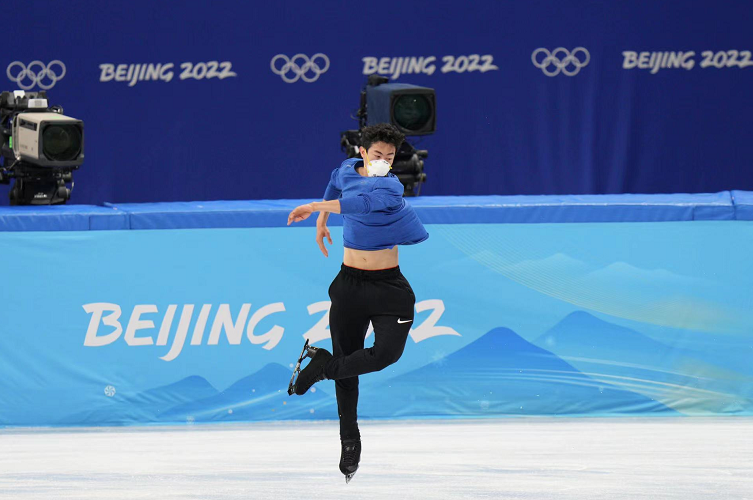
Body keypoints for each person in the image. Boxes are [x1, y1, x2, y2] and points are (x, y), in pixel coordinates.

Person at [286, 122, 429, 483]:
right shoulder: (348, 169)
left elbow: (359, 204)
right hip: (349, 284)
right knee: (348, 369)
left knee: (385, 355)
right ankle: (349, 441)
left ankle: (322, 366)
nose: (384, 161)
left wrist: (315, 207)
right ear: (362, 153)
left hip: (389, 287)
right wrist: (321, 221)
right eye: (378, 154)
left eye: (391, 156)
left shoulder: (390, 188)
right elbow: (336, 181)